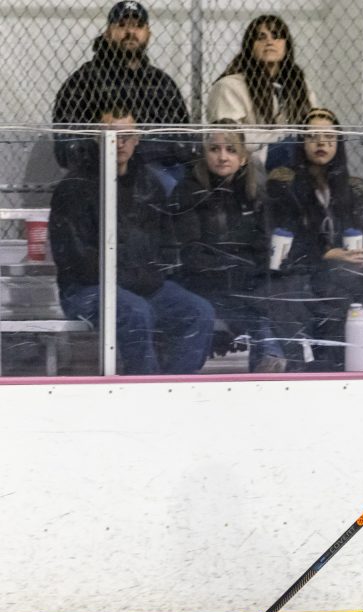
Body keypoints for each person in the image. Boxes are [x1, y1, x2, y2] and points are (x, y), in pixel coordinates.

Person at [49, 104, 215, 375]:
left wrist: (150, 276)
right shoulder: (74, 187)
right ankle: (143, 388)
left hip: (142, 286)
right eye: (111, 136)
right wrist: (132, 279)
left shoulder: (150, 184)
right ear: (97, 138)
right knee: (135, 312)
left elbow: (166, 245)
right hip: (85, 290)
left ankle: (174, 387)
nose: (119, 143)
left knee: (199, 312)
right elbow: (76, 258)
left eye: (126, 136)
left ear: (137, 139)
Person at [168, 124, 287, 372]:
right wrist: (237, 265)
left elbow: (264, 247)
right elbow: (191, 253)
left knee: (274, 297)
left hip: (247, 283)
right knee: (252, 306)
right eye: (215, 149)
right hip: (204, 283)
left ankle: (272, 361)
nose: (223, 157)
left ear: (243, 158)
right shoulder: (187, 191)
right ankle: (270, 358)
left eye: (231, 150)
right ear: (204, 154)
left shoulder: (255, 194)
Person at [264, 107, 363, 370]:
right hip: (299, 271)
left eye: (329, 137)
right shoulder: (283, 181)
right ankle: (321, 365)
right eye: (313, 137)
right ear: (301, 142)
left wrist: (361, 254)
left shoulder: (353, 187)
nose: (321, 143)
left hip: (342, 273)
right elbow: (281, 239)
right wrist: (325, 254)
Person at [53, 1, 190, 173]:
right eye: (122, 25)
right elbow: (66, 148)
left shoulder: (161, 83)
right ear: (108, 33)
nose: (130, 32)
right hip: (98, 173)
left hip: (155, 175)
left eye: (138, 26)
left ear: (148, 34)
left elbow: (183, 141)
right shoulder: (83, 81)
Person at [208, 14, 317, 166]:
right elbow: (230, 138)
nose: (269, 42)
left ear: (287, 45)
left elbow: (315, 125)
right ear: (250, 47)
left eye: (276, 36)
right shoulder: (229, 86)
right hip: (249, 163)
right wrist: (284, 137)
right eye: (261, 37)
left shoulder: (300, 85)